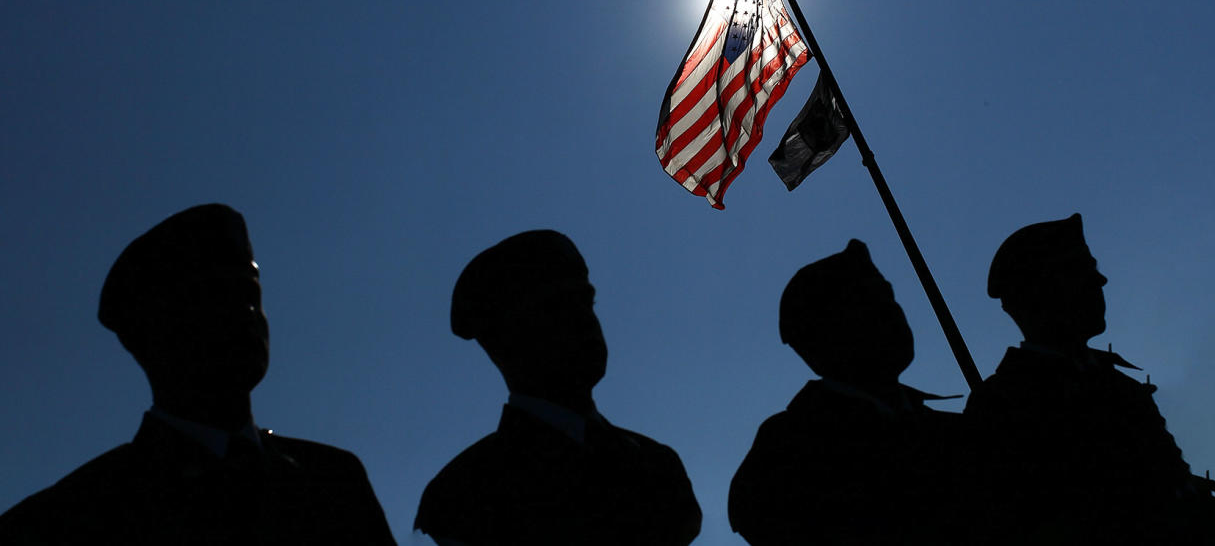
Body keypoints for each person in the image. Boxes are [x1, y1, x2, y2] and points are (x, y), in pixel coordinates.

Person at [0, 203, 396, 545]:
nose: (246, 314)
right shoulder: (72, 518)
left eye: (250, 295)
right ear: (150, 336)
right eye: (214, 299)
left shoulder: (334, 481)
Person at [964, 212, 1215, 544]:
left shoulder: (1123, 388)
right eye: (1080, 270)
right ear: (1039, 291)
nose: (1101, 280)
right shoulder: (1003, 401)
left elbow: (1178, 492)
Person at [414, 230, 701, 546]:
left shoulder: (658, 463)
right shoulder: (465, 492)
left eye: (586, 302)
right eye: (555, 308)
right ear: (502, 341)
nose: (584, 320)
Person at [729, 239, 965, 545]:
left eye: (888, 298)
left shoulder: (957, 431)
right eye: (869, 304)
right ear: (820, 336)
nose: (892, 314)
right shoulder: (790, 448)